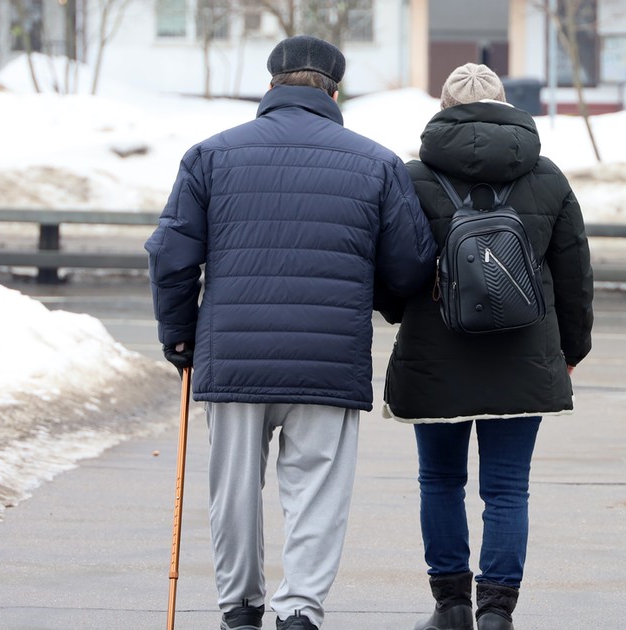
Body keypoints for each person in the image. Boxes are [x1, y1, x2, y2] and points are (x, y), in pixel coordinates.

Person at [144, 35, 436, 630]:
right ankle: (299, 610)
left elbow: (171, 255)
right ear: (334, 90)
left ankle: (239, 607)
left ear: (271, 85)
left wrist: (180, 336)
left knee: (233, 492)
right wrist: (367, 295)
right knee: (317, 494)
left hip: (233, 354)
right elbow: (410, 265)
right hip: (327, 360)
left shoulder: (210, 156)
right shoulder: (376, 162)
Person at [378, 63, 595, 630]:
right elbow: (574, 276)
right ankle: (496, 614)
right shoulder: (547, 176)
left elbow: (395, 269)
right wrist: (569, 352)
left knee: (440, 482)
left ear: (444, 108)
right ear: (505, 107)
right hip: (523, 358)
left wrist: (404, 314)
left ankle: (451, 608)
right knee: (506, 490)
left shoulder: (412, 176)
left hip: (433, 356)